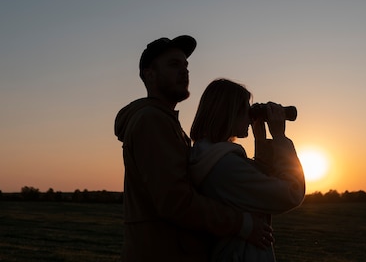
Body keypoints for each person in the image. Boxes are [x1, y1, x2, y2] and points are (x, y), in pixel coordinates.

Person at [114, 36, 273, 262]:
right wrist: (242, 224)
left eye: (186, 65)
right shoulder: (151, 121)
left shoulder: (165, 121)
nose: (185, 71)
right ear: (149, 74)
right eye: (174, 65)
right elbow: (175, 201)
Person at [189, 78, 306, 261]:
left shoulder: (210, 155)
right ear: (228, 112)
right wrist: (280, 138)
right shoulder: (224, 165)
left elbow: (258, 181)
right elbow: (291, 193)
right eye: (245, 109)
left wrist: (260, 139)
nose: (250, 115)